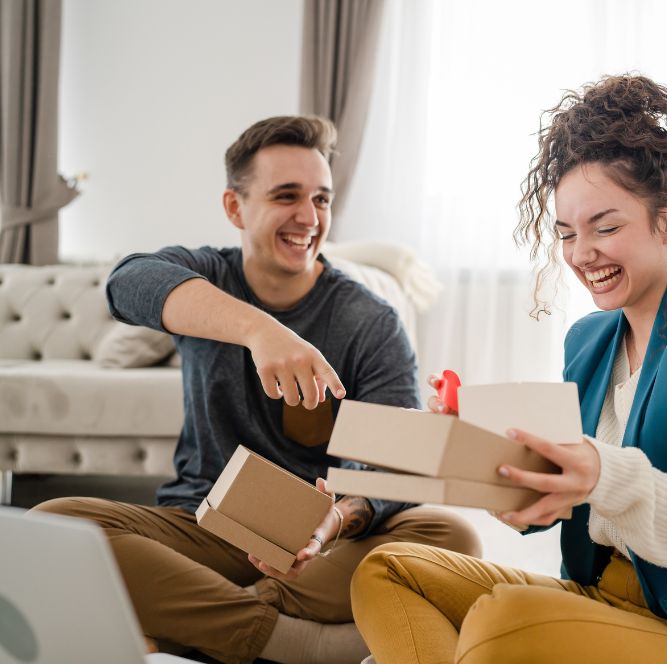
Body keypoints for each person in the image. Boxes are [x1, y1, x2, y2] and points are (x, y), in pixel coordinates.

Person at [349, 75, 667, 663]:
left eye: (606, 227)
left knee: (500, 622)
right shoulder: (589, 340)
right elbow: (559, 509)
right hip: (600, 599)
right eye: (567, 234)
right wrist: (487, 466)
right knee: (387, 571)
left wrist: (601, 473)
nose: (580, 254)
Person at [32, 115, 480, 664]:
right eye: (286, 196)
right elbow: (127, 284)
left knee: (450, 536)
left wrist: (337, 518)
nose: (309, 217)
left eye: (321, 198)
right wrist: (259, 330)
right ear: (234, 208)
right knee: (55, 523)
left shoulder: (369, 319)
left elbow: (399, 464)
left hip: (321, 546)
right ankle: (294, 642)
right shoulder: (207, 279)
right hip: (202, 528)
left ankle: (204, 622)